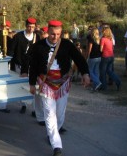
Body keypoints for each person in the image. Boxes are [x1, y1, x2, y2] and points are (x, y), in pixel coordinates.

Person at [28, 20, 90, 156]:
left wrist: (85, 73)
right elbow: (32, 66)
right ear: (47, 32)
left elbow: (79, 59)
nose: (55, 37)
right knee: (49, 114)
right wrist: (32, 84)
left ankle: (53, 133)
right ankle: (56, 145)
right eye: (52, 34)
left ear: (61, 33)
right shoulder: (38, 46)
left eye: (58, 34)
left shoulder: (67, 45)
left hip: (63, 83)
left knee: (60, 113)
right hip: (46, 84)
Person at [8, 17, 41, 118]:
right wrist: (9, 61)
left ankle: (35, 110)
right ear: (26, 26)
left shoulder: (37, 37)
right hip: (20, 64)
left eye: (32, 27)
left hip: (33, 65)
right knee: (22, 85)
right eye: (29, 27)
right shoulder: (18, 36)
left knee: (34, 86)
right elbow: (12, 50)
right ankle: (23, 105)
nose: (31, 29)